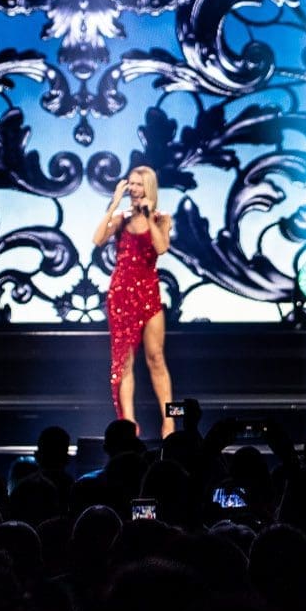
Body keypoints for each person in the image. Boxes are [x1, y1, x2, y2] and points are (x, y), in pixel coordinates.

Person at [93, 165, 174, 434]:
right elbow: (97, 239)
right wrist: (114, 203)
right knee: (124, 361)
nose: (135, 190)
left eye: (140, 185)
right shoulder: (121, 219)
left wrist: (149, 217)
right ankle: (128, 422)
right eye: (132, 184)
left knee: (156, 358)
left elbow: (161, 248)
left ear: (149, 188)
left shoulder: (162, 219)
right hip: (122, 294)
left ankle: (169, 420)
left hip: (149, 293)